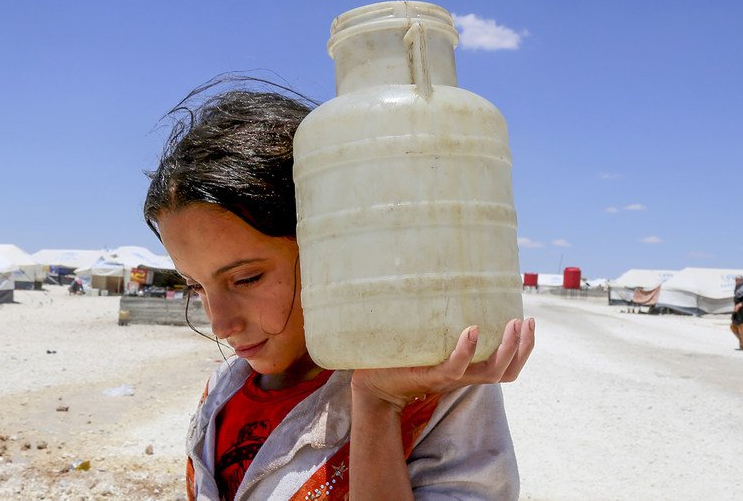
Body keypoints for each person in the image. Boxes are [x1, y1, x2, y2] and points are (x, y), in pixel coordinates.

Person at [143, 84, 535, 500]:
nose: (221, 325)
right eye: (196, 286)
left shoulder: (439, 392)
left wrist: (378, 403)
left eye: (246, 279)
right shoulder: (225, 392)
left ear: (334, 249)